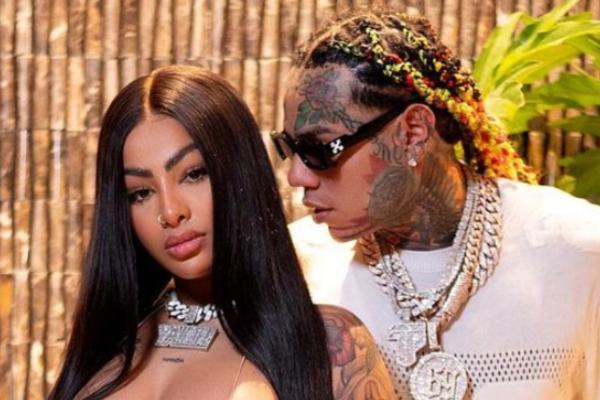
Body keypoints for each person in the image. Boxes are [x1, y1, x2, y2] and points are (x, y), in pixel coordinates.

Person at [272, 10, 600, 399]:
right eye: (289, 148)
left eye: (319, 148)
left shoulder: (579, 252)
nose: (297, 176)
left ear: (413, 133)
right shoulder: (292, 267)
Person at [48, 65, 394, 400]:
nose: (170, 212)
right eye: (141, 193)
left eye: (194, 174)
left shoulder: (331, 344)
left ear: (239, 172)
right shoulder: (108, 343)